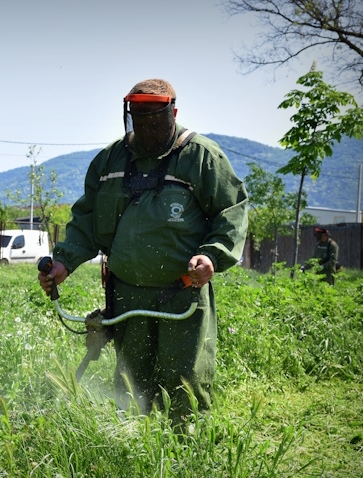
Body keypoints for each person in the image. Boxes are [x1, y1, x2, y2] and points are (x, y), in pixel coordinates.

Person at [38, 79, 248, 427]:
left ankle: (187, 454)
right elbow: (87, 219)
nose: (148, 125)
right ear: (129, 114)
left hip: (182, 294)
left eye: (156, 118)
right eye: (140, 116)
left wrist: (212, 256)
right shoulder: (110, 161)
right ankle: (134, 451)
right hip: (127, 296)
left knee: (185, 383)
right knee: (132, 384)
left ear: (173, 112)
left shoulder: (201, 157)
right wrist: (64, 262)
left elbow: (232, 210)